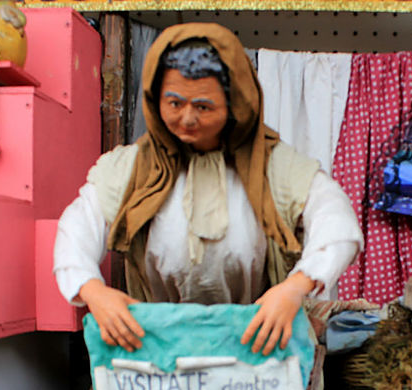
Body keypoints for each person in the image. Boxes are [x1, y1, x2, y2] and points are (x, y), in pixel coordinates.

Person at [53, 23, 363, 356]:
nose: (187, 119)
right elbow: (77, 229)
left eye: (203, 106)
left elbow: (336, 222)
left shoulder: (275, 168)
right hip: (160, 342)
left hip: (261, 339)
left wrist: (294, 288)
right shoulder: (130, 169)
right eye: (174, 103)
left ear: (235, 104)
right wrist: (94, 291)